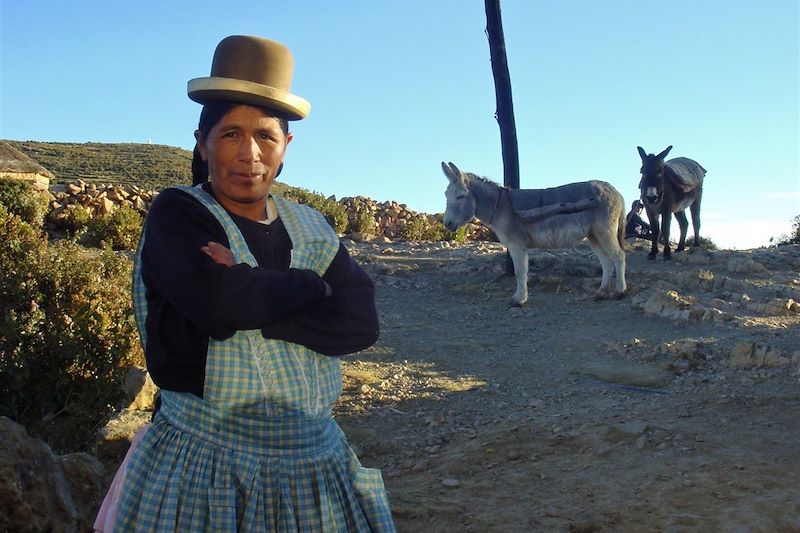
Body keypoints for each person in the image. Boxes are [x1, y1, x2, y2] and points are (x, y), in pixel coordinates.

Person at [95, 35, 395, 532]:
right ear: (203, 141)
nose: (249, 154)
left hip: (313, 465)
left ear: (286, 147)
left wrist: (252, 290)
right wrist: (312, 288)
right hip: (202, 466)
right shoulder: (180, 214)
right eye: (231, 134)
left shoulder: (311, 224)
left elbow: (361, 324)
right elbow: (219, 307)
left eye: (265, 136)